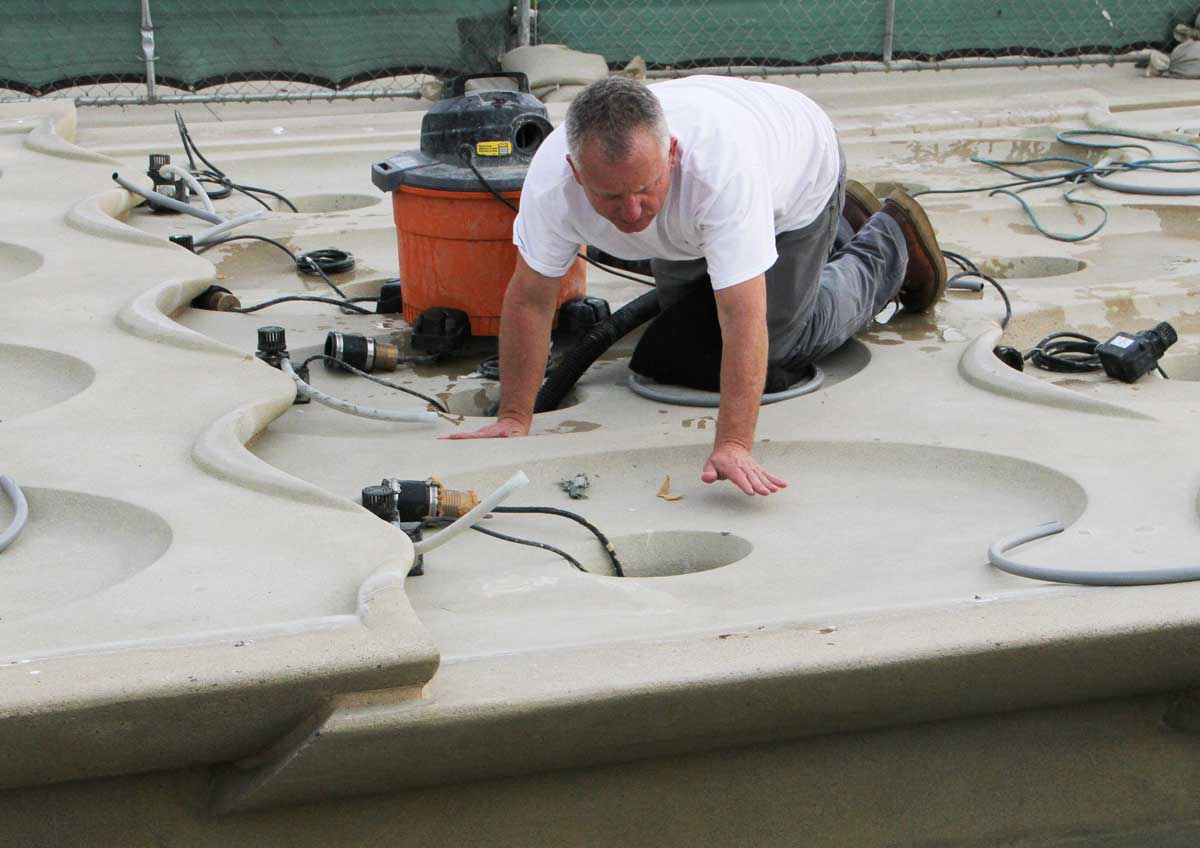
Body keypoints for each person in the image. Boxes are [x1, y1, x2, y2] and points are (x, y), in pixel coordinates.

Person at [446, 75, 946, 497]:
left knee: (783, 339)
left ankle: (887, 242)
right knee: (686, 331)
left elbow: (742, 318)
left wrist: (732, 444)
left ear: (671, 154)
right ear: (576, 172)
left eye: (645, 189)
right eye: (611, 197)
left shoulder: (720, 171)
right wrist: (515, 416)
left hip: (799, 173)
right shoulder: (551, 182)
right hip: (697, 216)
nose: (632, 211)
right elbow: (531, 301)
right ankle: (841, 226)